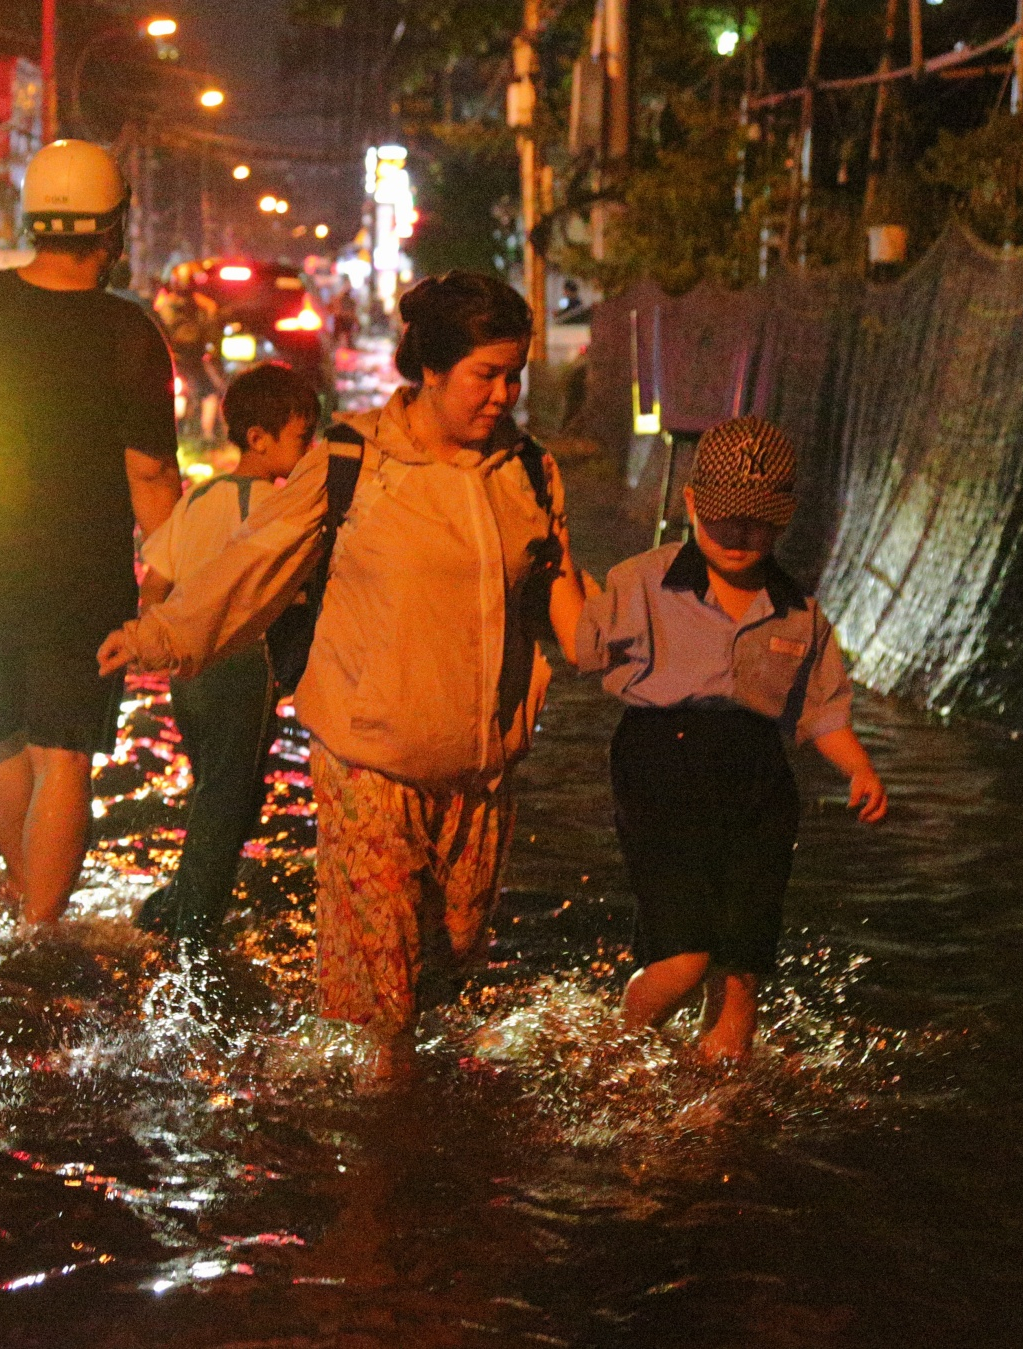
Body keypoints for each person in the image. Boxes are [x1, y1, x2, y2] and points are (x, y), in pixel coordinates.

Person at [99, 271, 591, 1086]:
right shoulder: (353, 459)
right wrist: (157, 633)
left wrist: (625, 646)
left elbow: (560, 586)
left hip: (479, 768)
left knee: (451, 959)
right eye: (486, 375)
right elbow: (253, 564)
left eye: (515, 375)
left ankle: (390, 1098)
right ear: (430, 369)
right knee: (383, 1006)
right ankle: (371, 1139)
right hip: (369, 759)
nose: (504, 395)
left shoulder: (528, 470)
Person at [572, 416, 888, 1062]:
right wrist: (553, 574)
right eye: (723, 518)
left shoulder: (798, 611)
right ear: (691, 504)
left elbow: (822, 710)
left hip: (756, 779)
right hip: (660, 764)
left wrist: (859, 769)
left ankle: (717, 1095)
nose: (740, 534)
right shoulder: (643, 582)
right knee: (684, 959)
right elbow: (582, 642)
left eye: (758, 521)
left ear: (785, 518)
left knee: (741, 968)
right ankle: (611, 1047)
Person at [0, 139, 182, 926]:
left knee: (1, 739)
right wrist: (172, 580)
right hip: (80, 570)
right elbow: (151, 476)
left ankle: (24, 898)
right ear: (112, 230)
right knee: (63, 751)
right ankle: (41, 931)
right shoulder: (128, 332)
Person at [133, 363, 319, 944]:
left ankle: (175, 905)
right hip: (243, 666)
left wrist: (155, 643)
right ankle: (192, 927)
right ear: (259, 438)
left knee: (211, 788)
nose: (309, 451)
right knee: (232, 797)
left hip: (187, 672)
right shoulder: (278, 509)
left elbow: (155, 584)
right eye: (301, 438)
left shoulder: (199, 497)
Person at [154, 263, 222, 443]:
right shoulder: (199, 304)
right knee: (208, 392)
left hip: (176, 357)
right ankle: (206, 435)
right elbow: (210, 322)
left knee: (186, 392)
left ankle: (189, 434)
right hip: (189, 357)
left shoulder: (165, 304)